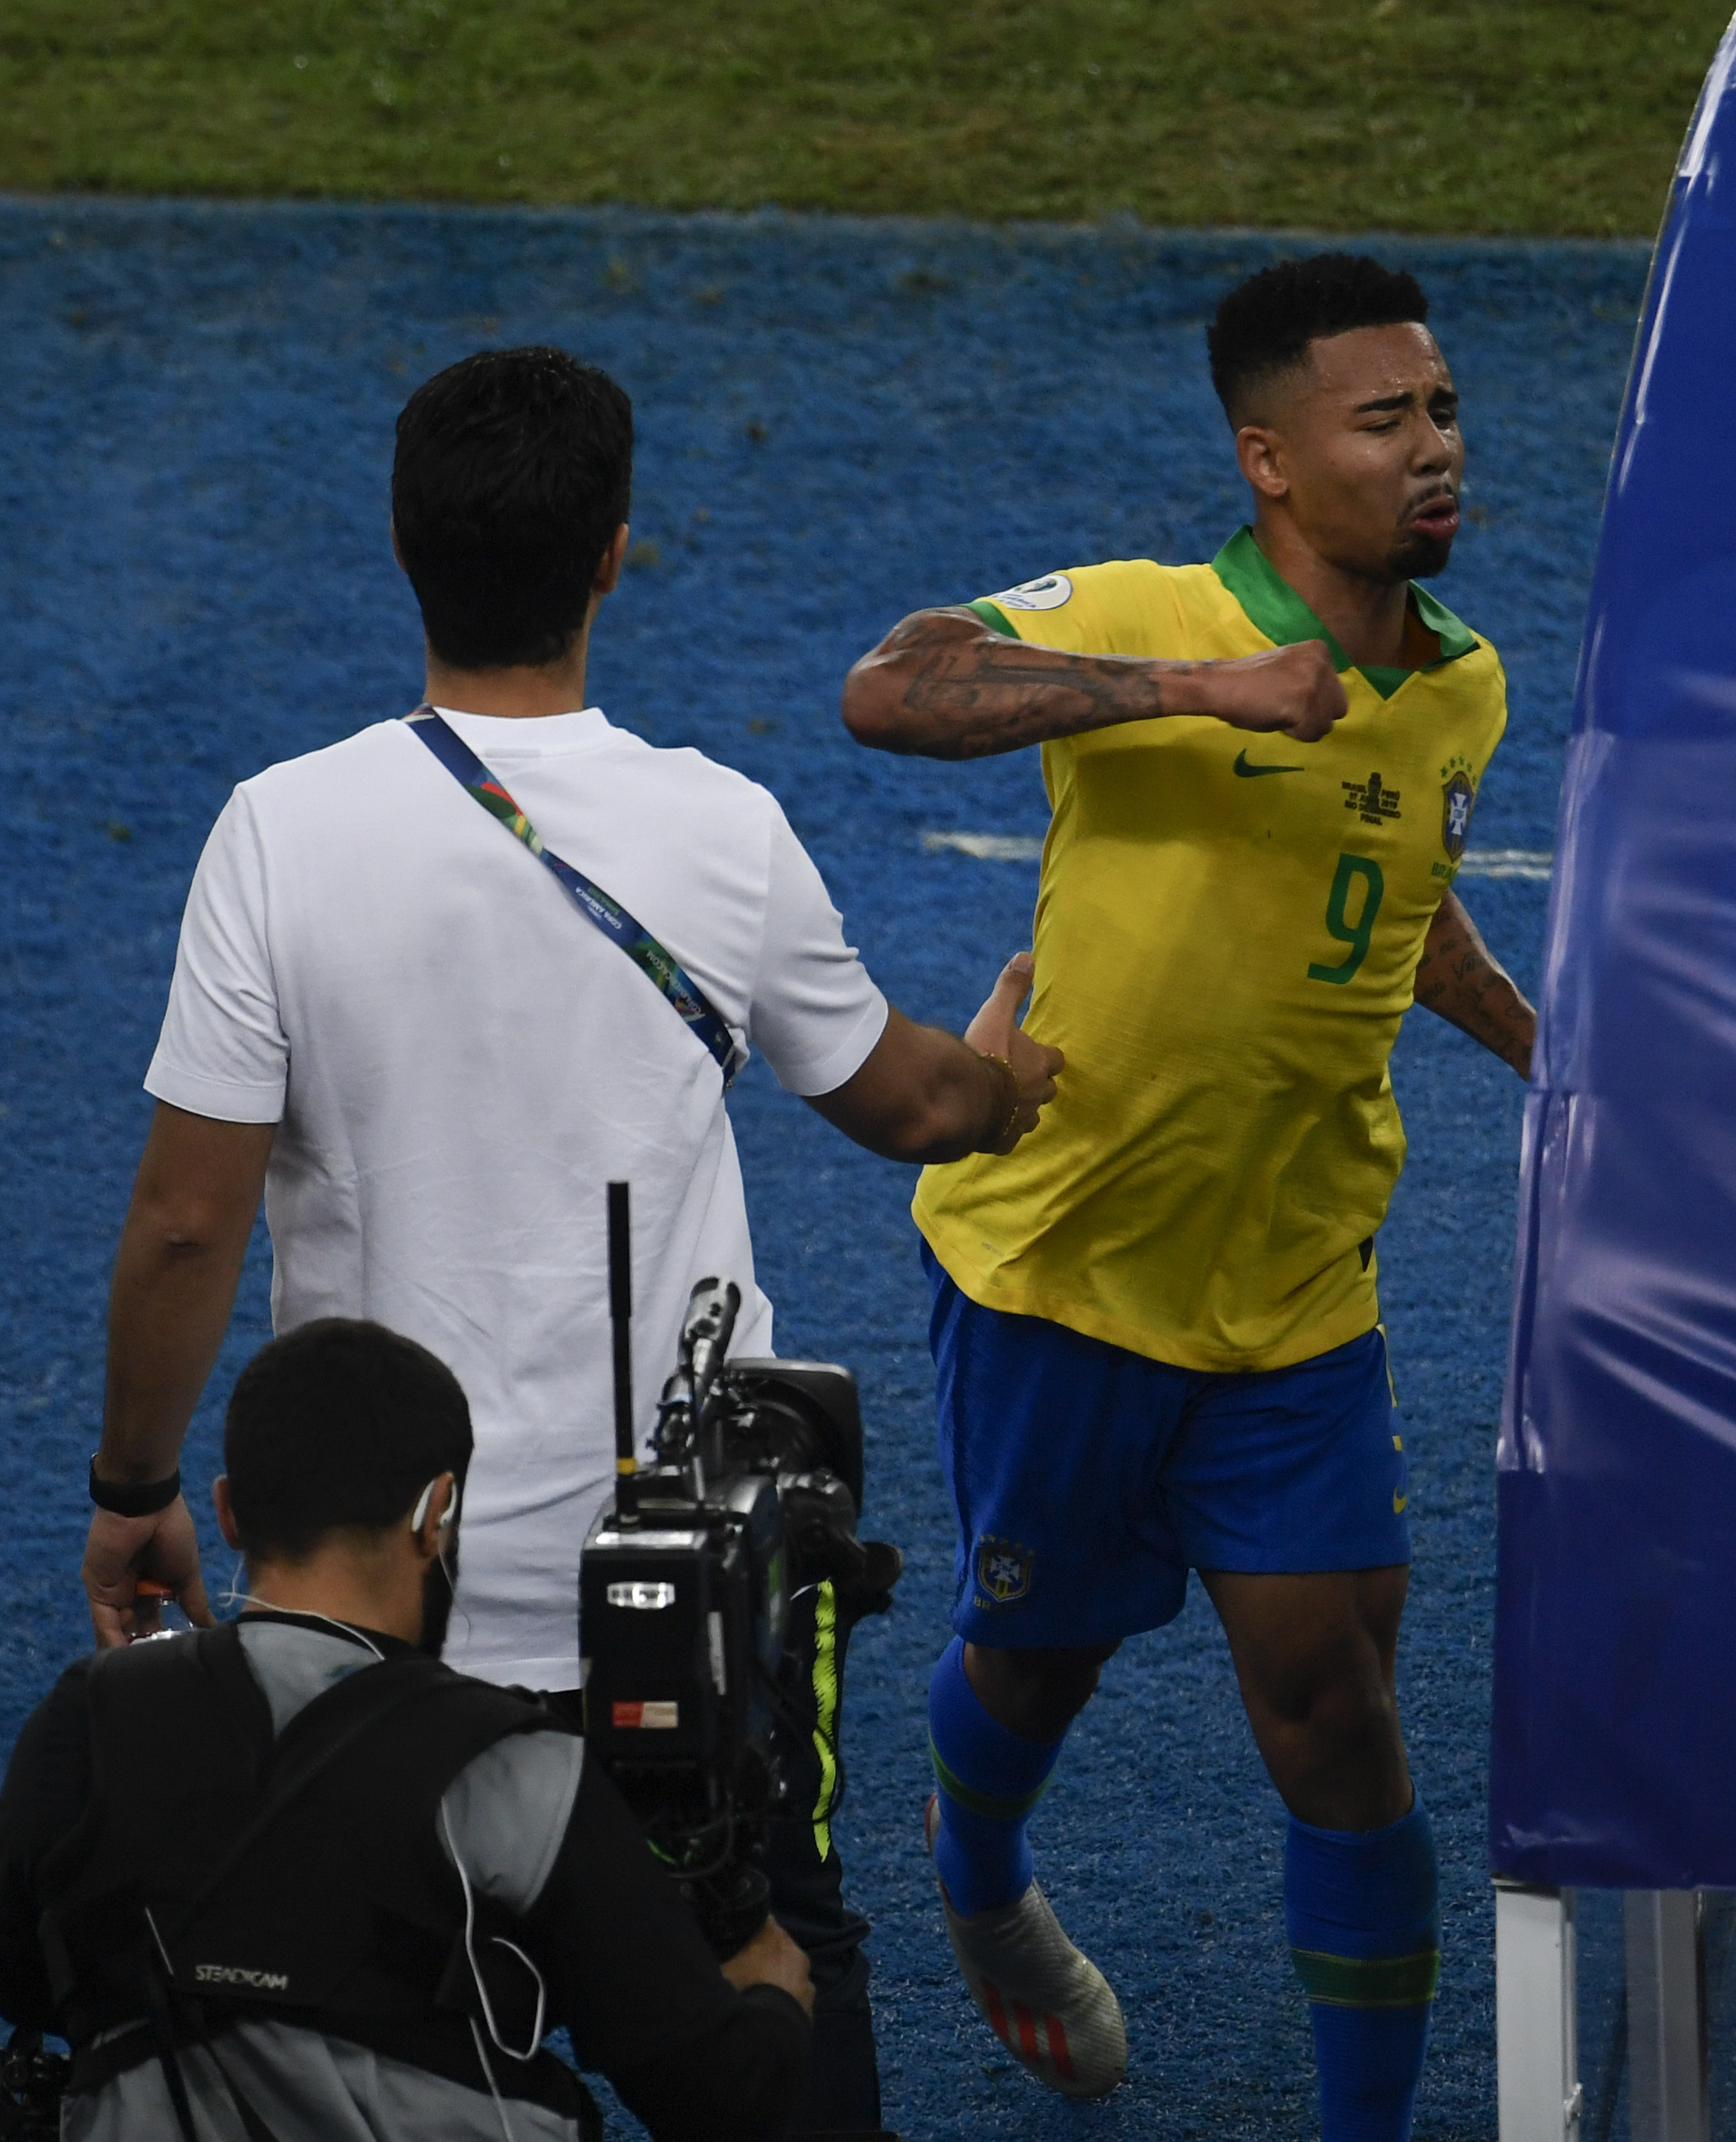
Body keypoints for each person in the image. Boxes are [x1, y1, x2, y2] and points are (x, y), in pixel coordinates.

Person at [84, 345, 1066, 2138]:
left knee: (401, 2032)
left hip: (382, 1626)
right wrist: (1009, 1085)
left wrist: (133, 1476)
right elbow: (908, 1099)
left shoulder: (274, 837)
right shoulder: (723, 832)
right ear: (615, 553)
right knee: (774, 1983)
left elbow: (180, 1224)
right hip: (680, 1609)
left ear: (403, 548)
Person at [838, 253, 1536, 2137]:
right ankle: (980, 1879)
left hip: (1301, 1288)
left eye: (1443, 409)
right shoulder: (1155, 611)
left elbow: (1397, 891)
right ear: (1271, 461)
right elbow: (888, 689)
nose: (1434, 448)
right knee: (1038, 1663)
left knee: (1336, 1700)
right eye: (1382, 420)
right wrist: (1188, 690)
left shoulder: (1459, 682)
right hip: (1062, 1277)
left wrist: (1545, 1043)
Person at [3, 1318, 815, 2142]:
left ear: (229, 1514)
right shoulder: (520, 1771)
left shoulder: (86, 1718)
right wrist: (772, 1995)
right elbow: (717, 2096)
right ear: (437, 1513)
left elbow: (27, 1981)